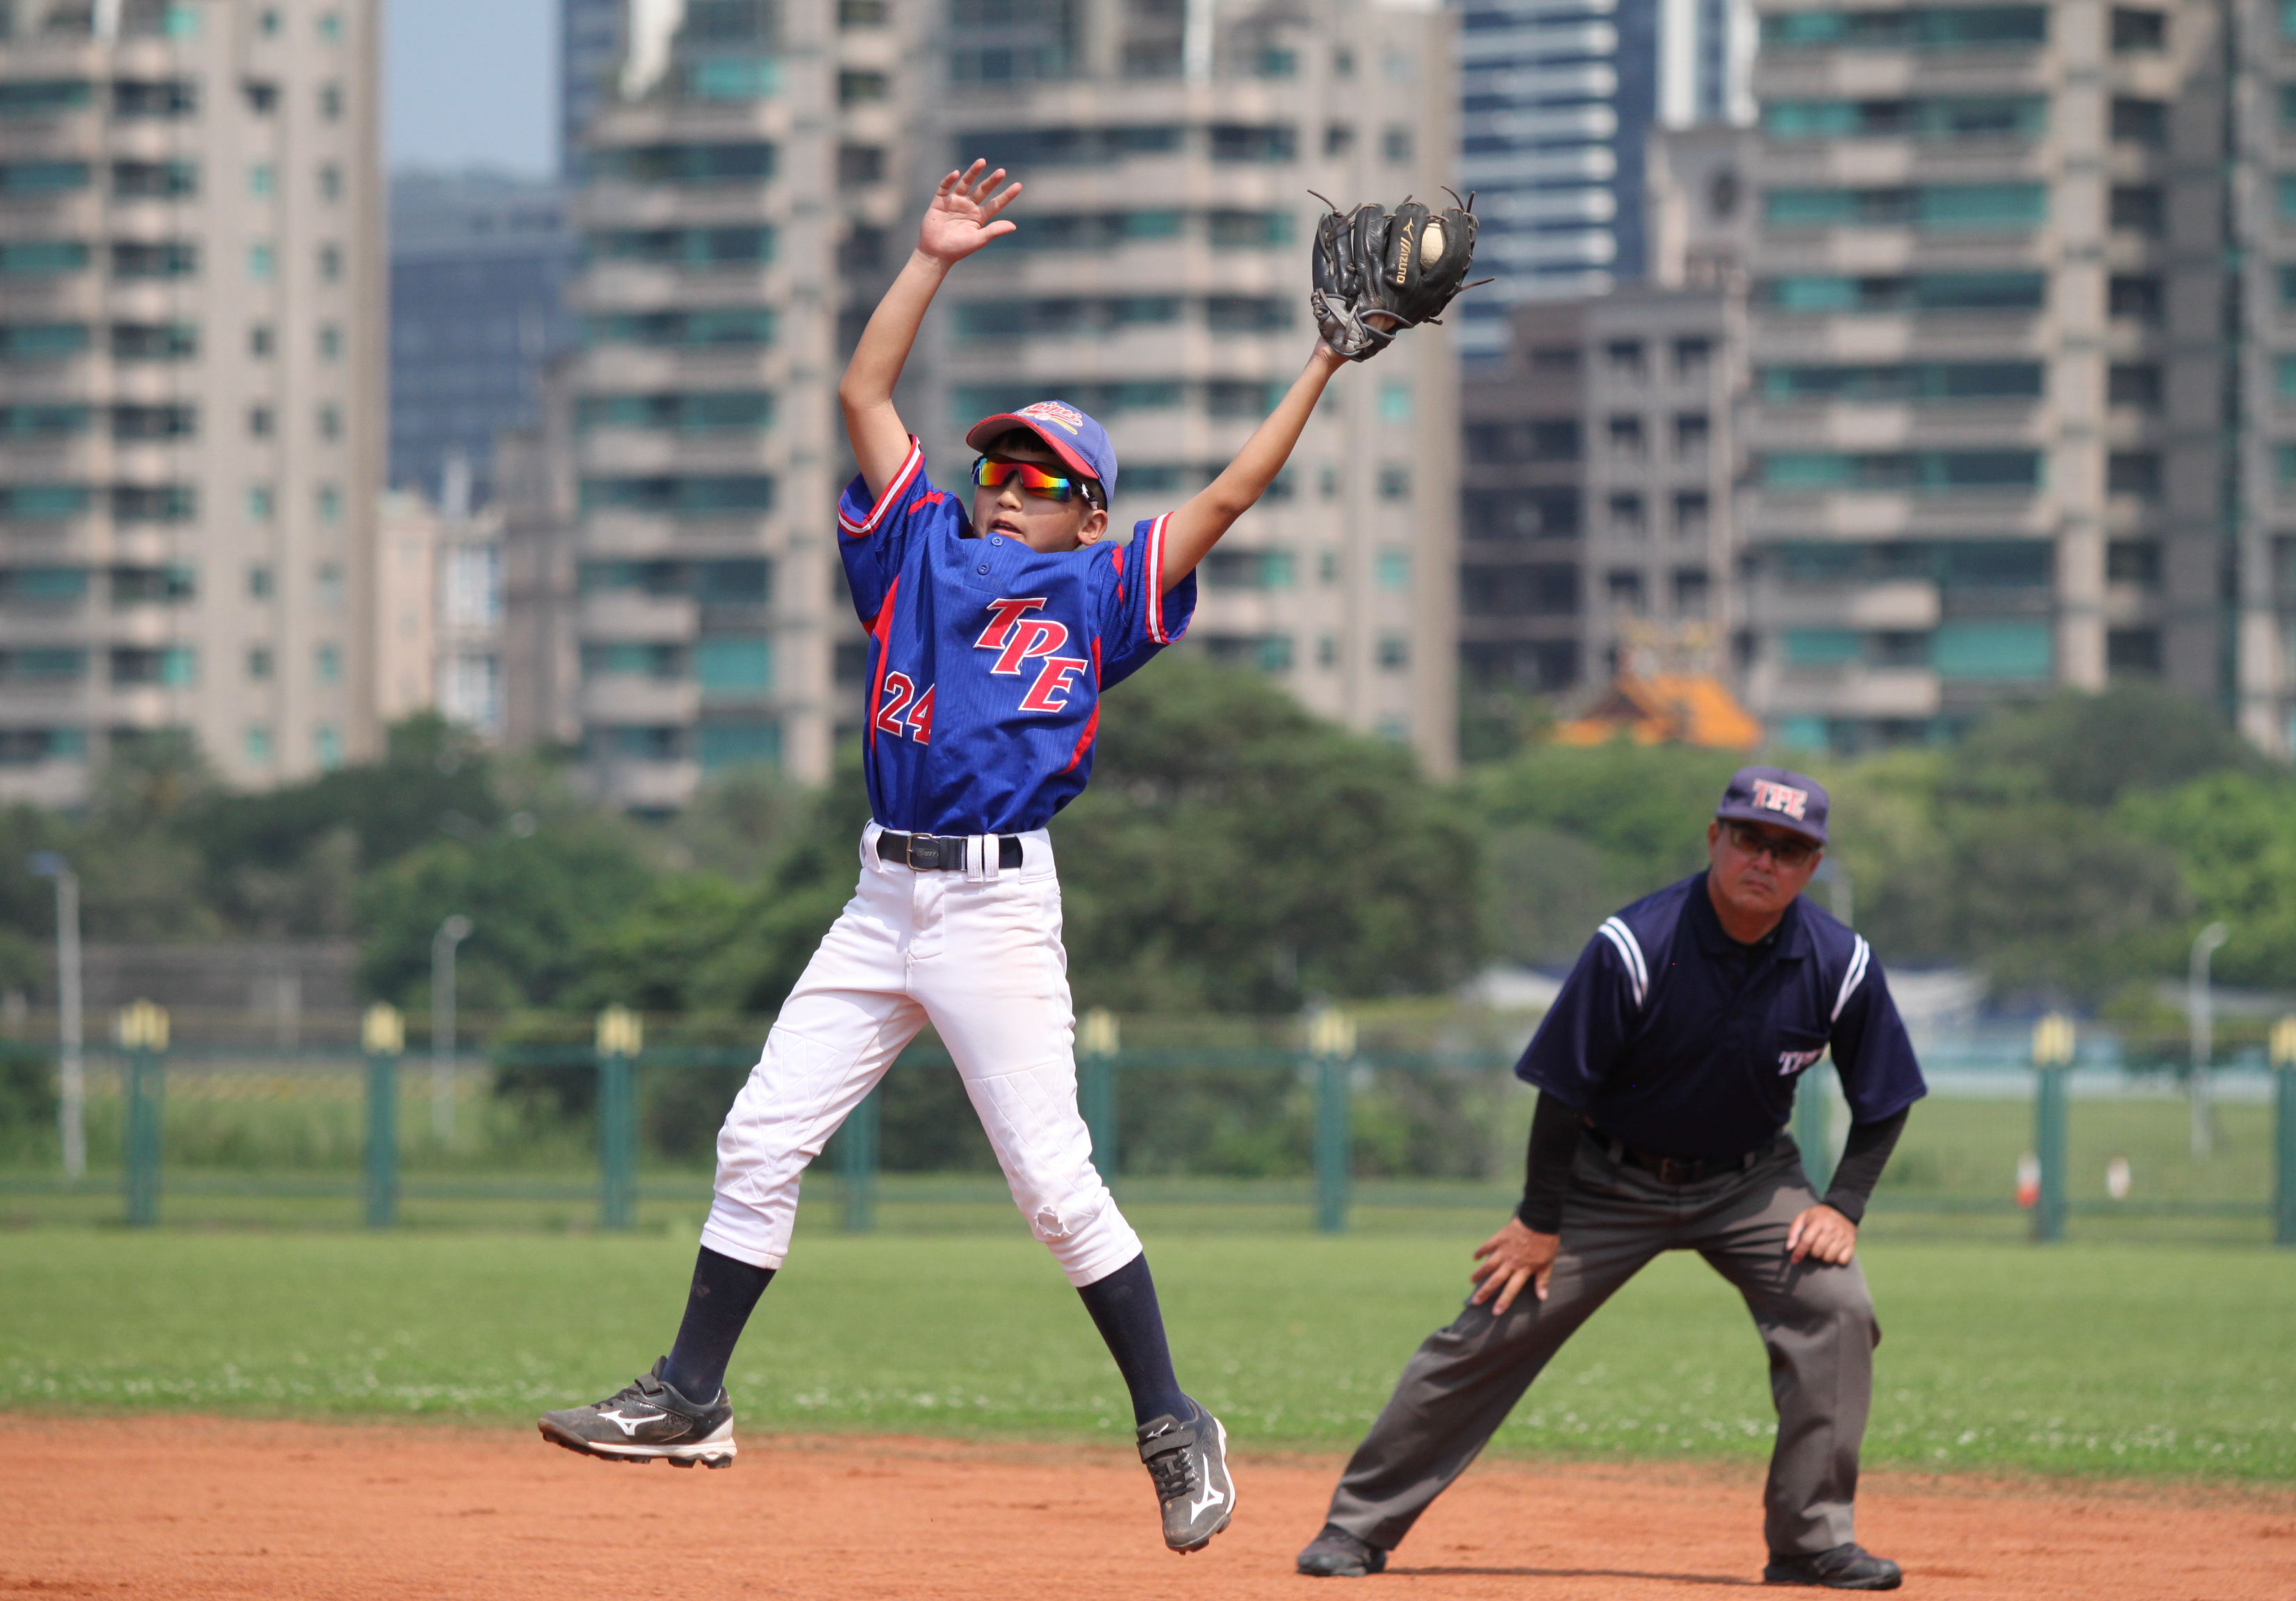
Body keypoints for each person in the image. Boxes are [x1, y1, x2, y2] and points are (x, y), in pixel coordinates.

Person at [539, 161, 1357, 1555]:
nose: (1009, 485)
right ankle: (691, 1395)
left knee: (1052, 1186)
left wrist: (1325, 361)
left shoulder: (1100, 587)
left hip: (993, 908)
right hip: (882, 895)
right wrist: (929, 260)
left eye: (1044, 476)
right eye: (999, 466)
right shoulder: (919, 550)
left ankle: (1174, 1421)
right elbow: (863, 394)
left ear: (1090, 514)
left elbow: (1230, 494)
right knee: (757, 1137)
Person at [1295, 767, 1926, 1591]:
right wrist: (1539, 1221)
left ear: (1812, 866)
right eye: (1749, 838)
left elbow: (1886, 1095)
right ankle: (1355, 1526)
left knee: (1836, 1308)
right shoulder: (1637, 944)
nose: (1764, 860)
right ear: (1716, 839)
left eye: (1788, 848)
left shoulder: (1839, 963)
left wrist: (1843, 1206)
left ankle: (1810, 1542)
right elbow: (1564, 1089)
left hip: (1750, 1184)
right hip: (1606, 1178)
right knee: (1496, 1322)